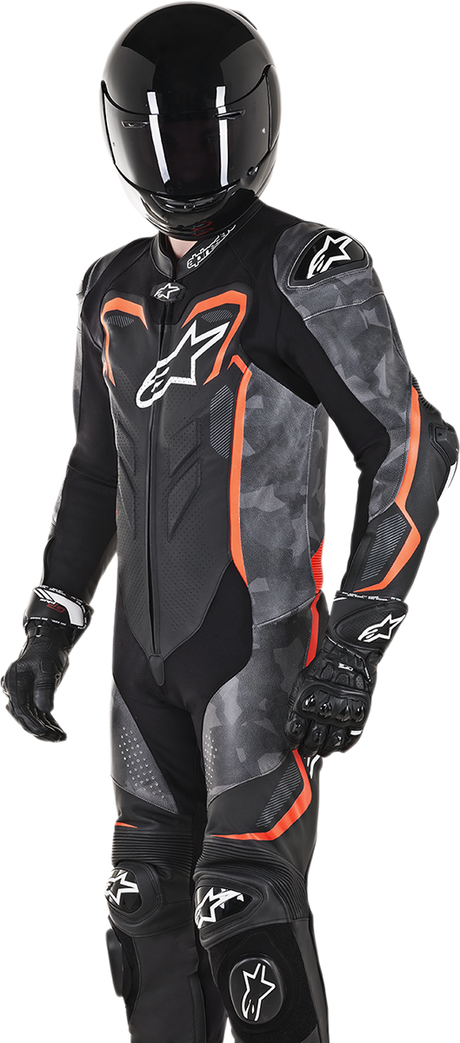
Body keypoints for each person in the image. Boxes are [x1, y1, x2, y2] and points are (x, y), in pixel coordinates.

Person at [1, 3, 458, 1042]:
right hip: (140, 663)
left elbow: (413, 444)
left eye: (204, 128)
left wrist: (358, 639)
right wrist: (50, 621)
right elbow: (94, 466)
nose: (181, 161)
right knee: (143, 908)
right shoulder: (107, 285)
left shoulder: (308, 264)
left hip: (260, 651)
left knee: (242, 901)